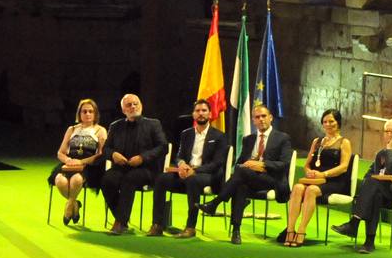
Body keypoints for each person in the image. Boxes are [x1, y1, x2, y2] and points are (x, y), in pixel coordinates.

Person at [196, 104, 292, 245]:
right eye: (257, 117)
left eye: (264, 116)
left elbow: (284, 164)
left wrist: (262, 165)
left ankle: (215, 203)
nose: (261, 120)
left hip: (272, 179)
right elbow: (240, 162)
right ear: (253, 120)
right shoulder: (248, 139)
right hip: (249, 177)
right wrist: (247, 166)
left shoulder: (282, 138)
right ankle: (236, 231)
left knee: (240, 174)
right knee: (240, 185)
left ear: (271, 118)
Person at [330, 119, 392, 254]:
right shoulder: (381, 152)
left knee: (373, 184)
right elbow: (370, 173)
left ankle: (354, 223)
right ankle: (369, 242)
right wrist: (370, 181)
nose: (388, 134)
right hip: (381, 192)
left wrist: (389, 150)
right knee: (375, 194)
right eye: (386, 131)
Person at [151, 99, 228, 238]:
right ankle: (157, 225)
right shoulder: (186, 134)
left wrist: (196, 170)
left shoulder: (219, 136)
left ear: (210, 114)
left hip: (207, 175)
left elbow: (217, 163)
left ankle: (190, 227)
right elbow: (179, 156)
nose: (201, 114)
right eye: (197, 111)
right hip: (186, 173)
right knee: (161, 179)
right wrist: (181, 164)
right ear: (193, 115)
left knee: (193, 180)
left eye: (204, 111)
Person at [283, 108, 354, 247]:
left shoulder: (344, 142)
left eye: (331, 121)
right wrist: (309, 171)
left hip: (334, 180)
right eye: (325, 122)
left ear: (338, 122)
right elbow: (307, 164)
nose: (328, 124)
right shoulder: (317, 141)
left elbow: (344, 167)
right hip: (315, 179)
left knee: (311, 190)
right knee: (297, 188)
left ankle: (302, 230)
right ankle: (290, 229)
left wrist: (324, 174)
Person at [101, 94, 168, 236]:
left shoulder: (153, 124)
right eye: (128, 105)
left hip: (146, 170)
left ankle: (120, 222)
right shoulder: (115, 126)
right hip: (121, 168)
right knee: (107, 180)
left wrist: (142, 158)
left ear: (141, 106)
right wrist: (113, 155)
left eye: (135, 104)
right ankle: (122, 218)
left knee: (130, 178)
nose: (132, 107)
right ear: (123, 110)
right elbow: (105, 149)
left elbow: (163, 147)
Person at [49, 98, 108, 226]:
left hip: (89, 165)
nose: (87, 114)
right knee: (59, 180)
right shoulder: (72, 129)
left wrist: (81, 162)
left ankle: (68, 206)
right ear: (79, 113)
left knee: (76, 180)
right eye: (84, 111)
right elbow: (60, 152)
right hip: (69, 163)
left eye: (90, 111)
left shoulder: (100, 130)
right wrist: (68, 160)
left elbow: (101, 154)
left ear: (95, 114)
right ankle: (74, 203)